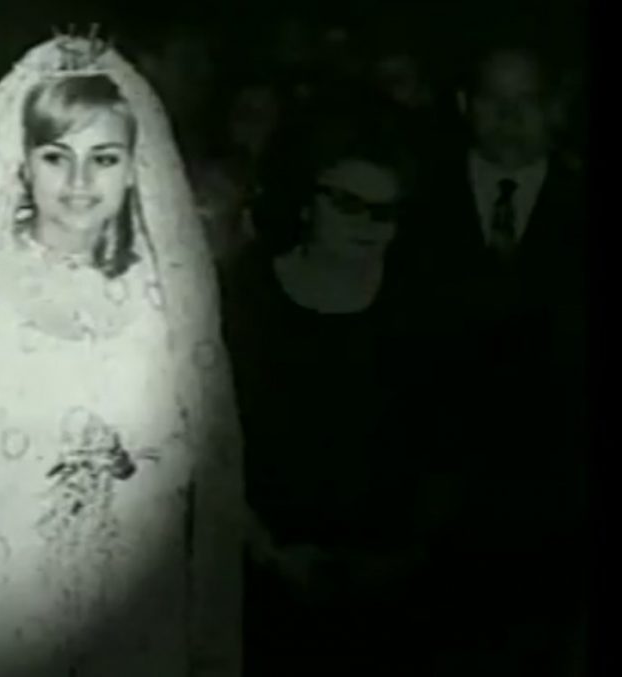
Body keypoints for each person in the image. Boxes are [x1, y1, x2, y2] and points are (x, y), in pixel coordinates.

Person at [0, 34, 244, 676]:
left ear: (135, 166)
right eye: (57, 157)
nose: (80, 183)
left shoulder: (165, 293)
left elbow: (201, 455)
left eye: (104, 159)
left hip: (132, 603)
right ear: (23, 163)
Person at [224, 86, 440, 677]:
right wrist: (267, 553)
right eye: (349, 204)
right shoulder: (246, 296)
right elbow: (210, 442)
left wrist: (388, 564)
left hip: (388, 591)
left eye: (385, 212)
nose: (368, 226)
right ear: (306, 200)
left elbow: (441, 448)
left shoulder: (418, 304)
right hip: (261, 579)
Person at [406, 43, 587, 677]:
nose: (510, 119)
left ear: (556, 108)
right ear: (465, 105)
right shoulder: (414, 198)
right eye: (493, 101)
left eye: (527, 102)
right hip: (431, 513)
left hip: (560, 514)